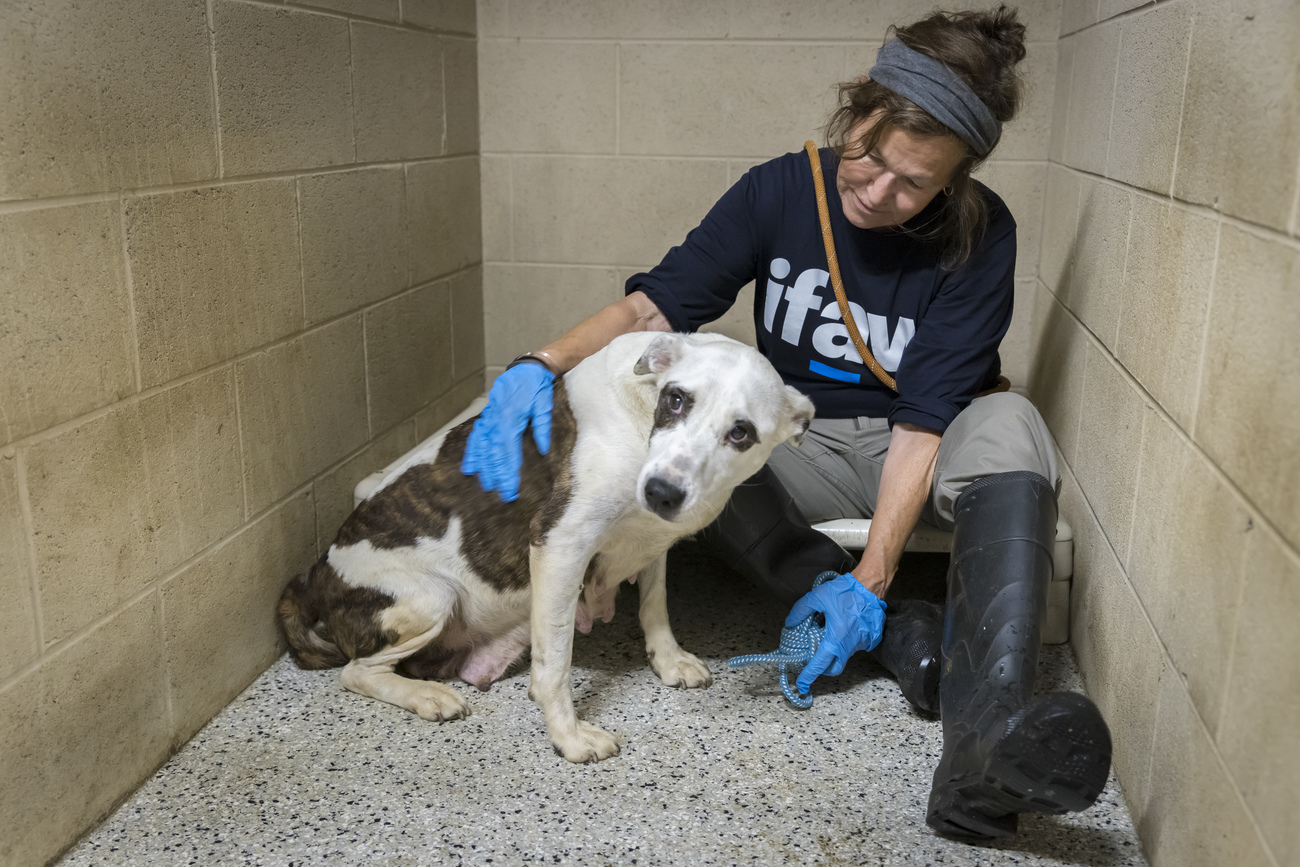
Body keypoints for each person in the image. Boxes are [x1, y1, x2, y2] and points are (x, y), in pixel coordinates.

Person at [460, 5, 1112, 840]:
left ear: (954, 181)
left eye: (913, 183)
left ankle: (985, 744)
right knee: (707, 459)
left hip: (923, 440)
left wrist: (874, 576)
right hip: (796, 440)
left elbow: (922, 425)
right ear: (854, 114)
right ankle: (904, 639)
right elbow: (653, 305)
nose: (877, 192)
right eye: (869, 157)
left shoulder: (984, 236)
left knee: (1015, 420)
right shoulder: (780, 188)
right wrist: (537, 365)